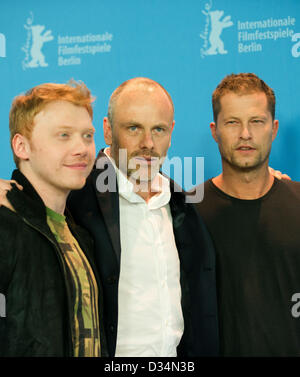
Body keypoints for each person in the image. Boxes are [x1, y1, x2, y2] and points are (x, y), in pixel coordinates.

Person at [0, 77, 219, 357]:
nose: (148, 143)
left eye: (84, 136)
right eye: (133, 128)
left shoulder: (183, 206)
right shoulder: (69, 199)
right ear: (109, 130)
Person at [196, 73, 300, 356]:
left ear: (274, 128)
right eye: (232, 122)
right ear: (215, 130)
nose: (245, 134)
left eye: (256, 121)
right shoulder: (187, 213)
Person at [0, 81, 107, 357]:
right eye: (63, 135)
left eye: (87, 135)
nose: (82, 148)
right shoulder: (5, 224)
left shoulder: (81, 233)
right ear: (21, 146)